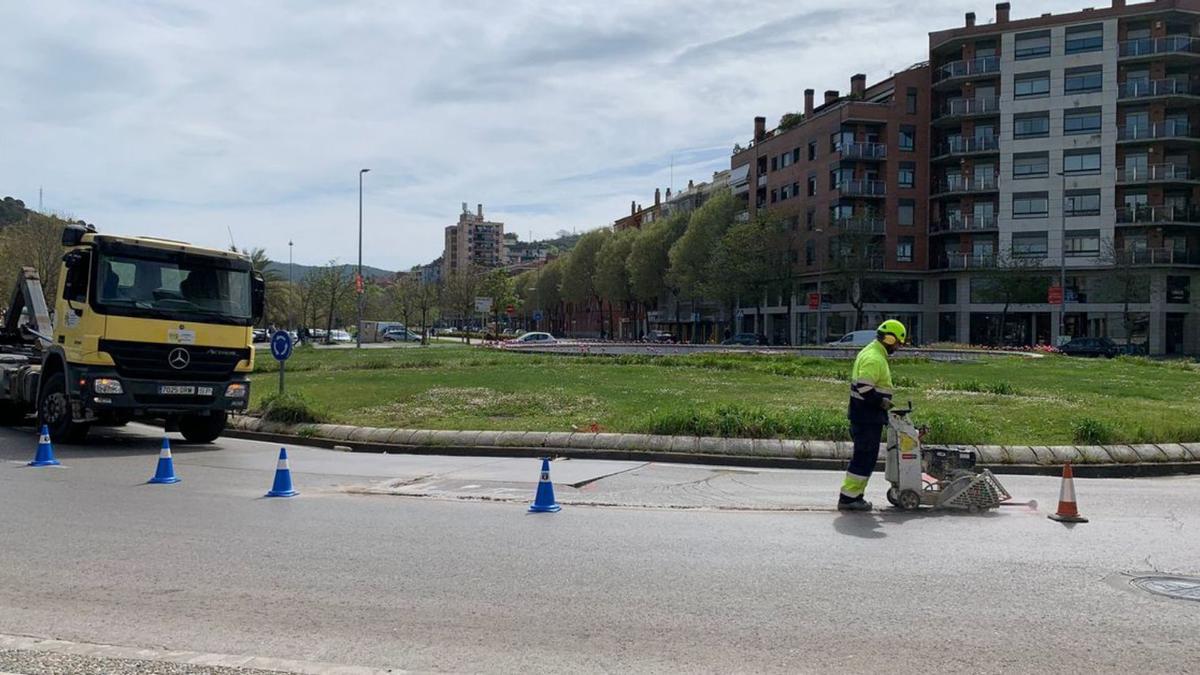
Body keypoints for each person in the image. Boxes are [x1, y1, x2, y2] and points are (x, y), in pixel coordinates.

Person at [838, 319, 906, 512]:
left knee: (865, 457)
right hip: (867, 417)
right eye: (898, 343)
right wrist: (881, 402)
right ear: (891, 338)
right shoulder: (874, 357)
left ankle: (854, 496)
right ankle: (849, 498)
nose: (899, 347)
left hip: (865, 416)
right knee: (864, 458)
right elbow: (864, 387)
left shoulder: (873, 352)